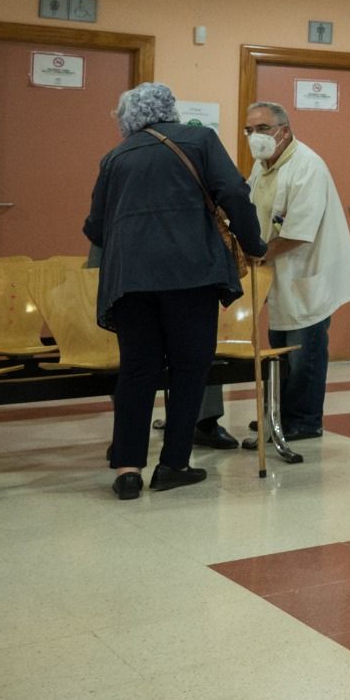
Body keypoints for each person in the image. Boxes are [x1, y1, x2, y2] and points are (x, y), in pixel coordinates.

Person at [84, 83, 265, 500]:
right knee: (188, 369)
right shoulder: (200, 139)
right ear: (170, 110)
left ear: (127, 118)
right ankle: (174, 465)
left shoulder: (115, 157)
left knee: (137, 370)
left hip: (129, 280)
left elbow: (95, 227)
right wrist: (253, 244)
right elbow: (234, 192)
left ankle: (128, 469)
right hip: (190, 275)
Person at [243, 101, 350, 440]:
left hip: (306, 271)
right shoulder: (263, 165)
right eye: (249, 130)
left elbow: (296, 233)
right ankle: (279, 414)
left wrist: (260, 255)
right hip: (277, 273)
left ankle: (305, 421)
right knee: (280, 345)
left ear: (284, 130)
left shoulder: (307, 166)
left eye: (263, 129)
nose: (255, 136)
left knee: (304, 352)